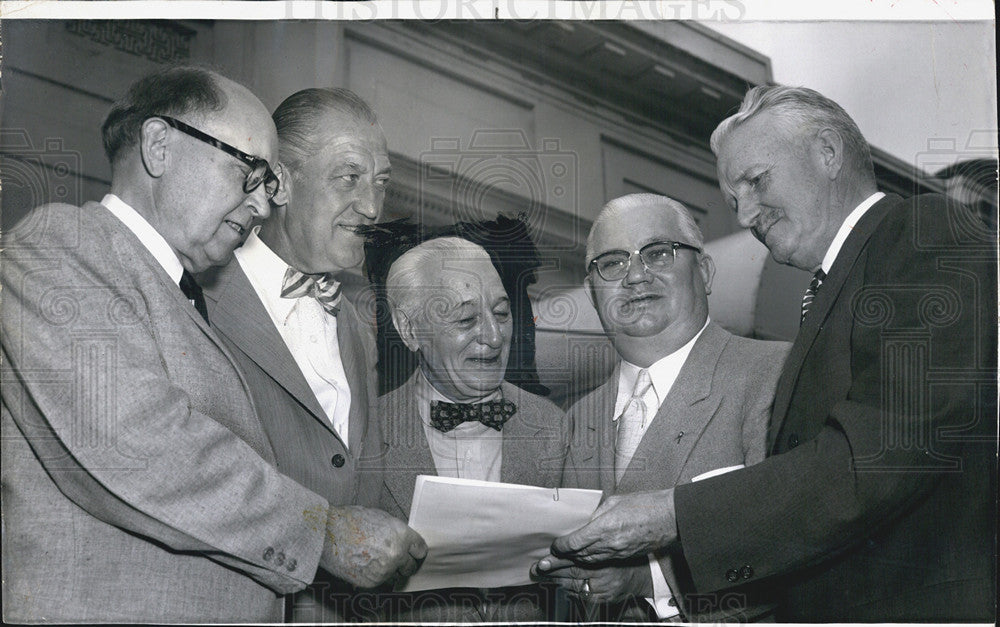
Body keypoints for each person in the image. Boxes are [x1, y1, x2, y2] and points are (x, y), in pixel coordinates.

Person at [545, 85, 997, 621]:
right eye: (735, 200)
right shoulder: (840, 284)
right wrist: (650, 578)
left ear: (828, 152)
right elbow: (812, 521)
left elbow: (874, 456)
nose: (745, 215)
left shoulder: (926, 233)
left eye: (756, 181)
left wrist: (672, 513)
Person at [1, 66, 425, 623]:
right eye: (248, 171)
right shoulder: (59, 246)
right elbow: (139, 446)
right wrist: (322, 534)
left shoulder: (181, 292)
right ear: (159, 146)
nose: (265, 205)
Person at [533, 194, 789, 622]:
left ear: (705, 271)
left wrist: (650, 579)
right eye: (612, 263)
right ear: (594, 294)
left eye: (657, 253)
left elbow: (796, 544)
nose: (635, 276)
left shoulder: (776, 374)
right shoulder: (576, 419)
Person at [198, 87, 399, 622]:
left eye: (381, 183)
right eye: (349, 177)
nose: (373, 207)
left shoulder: (357, 327)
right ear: (280, 182)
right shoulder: (194, 297)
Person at [376, 236, 569, 622]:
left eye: (501, 313)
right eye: (466, 320)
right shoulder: (361, 432)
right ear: (409, 329)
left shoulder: (555, 426)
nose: (495, 338)